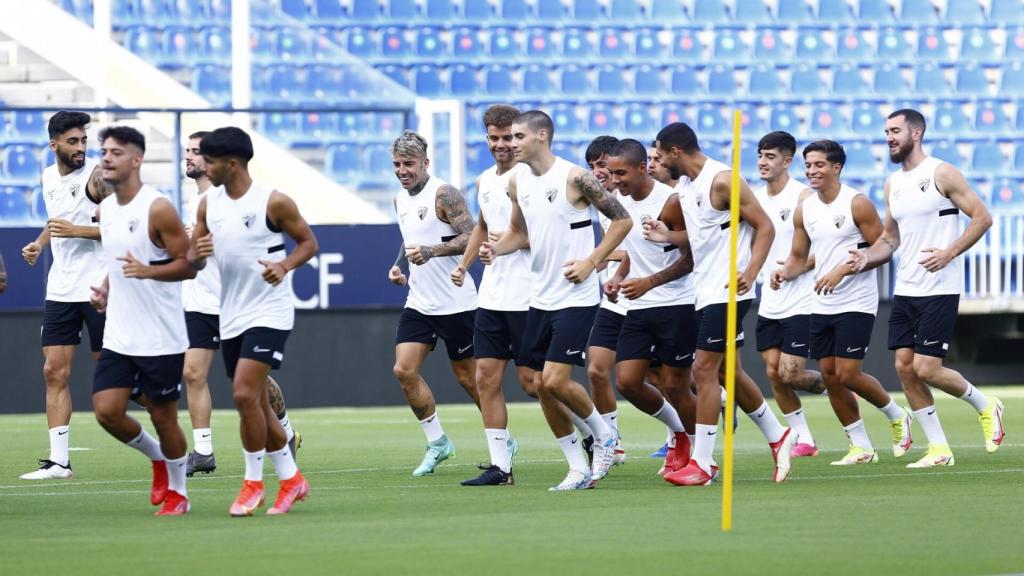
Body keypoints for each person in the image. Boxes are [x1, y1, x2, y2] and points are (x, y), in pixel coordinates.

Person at [480, 110, 630, 491]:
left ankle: (604, 435)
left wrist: (591, 262)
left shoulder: (575, 178)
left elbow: (622, 220)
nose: (510, 144)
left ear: (541, 135)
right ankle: (577, 466)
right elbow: (517, 231)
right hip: (540, 296)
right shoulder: (515, 181)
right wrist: (497, 249)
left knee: (556, 379)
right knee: (537, 384)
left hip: (576, 296)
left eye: (517, 137)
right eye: (508, 137)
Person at [849, 109, 1003, 467]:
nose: (889, 136)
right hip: (907, 287)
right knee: (904, 368)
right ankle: (939, 450)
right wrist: (866, 258)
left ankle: (987, 406)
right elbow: (890, 238)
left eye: (895, 130)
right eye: (886, 130)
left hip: (940, 286)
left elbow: (982, 217)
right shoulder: (892, 184)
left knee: (927, 368)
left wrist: (949, 253)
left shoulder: (941, 173)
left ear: (916, 133)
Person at [644, 122, 795, 486]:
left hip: (729, 290)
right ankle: (779, 434)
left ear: (675, 152)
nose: (659, 163)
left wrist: (751, 270)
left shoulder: (722, 180)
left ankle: (703, 463)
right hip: (705, 290)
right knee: (730, 373)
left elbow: (766, 226)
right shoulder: (686, 186)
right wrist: (668, 235)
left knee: (703, 369)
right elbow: (703, 235)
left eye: (661, 155)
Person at [189, 126, 318, 516]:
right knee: (256, 403)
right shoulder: (207, 205)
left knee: (244, 394)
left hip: (270, 311)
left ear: (232, 163)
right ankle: (293, 480)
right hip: (230, 314)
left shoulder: (273, 202)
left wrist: (284, 265)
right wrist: (197, 251)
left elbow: (309, 243)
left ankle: (252, 484)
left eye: (209, 160)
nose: (203, 166)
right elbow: (193, 261)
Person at [773, 140, 912, 466]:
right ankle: (861, 446)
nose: (811, 171)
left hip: (857, 302)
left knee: (848, 375)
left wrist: (845, 269)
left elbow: (885, 246)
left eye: (819, 165)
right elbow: (797, 257)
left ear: (836, 167)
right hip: (821, 303)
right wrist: (784, 273)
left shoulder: (857, 204)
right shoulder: (804, 209)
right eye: (808, 166)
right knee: (830, 377)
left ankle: (896, 413)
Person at [89, 126, 195, 515]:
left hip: (160, 336)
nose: (105, 158)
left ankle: (179, 492)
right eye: (103, 151)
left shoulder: (158, 207)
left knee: (163, 416)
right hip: (119, 333)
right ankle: (157, 459)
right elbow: (120, 262)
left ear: (136, 159)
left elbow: (188, 265)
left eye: (115, 152)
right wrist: (105, 288)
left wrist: (147, 273)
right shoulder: (106, 209)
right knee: (107, 410)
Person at [20, 111, 111, 480]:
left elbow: (122, 228)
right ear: (53, 143)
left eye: (83, 141)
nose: (80, 148)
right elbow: (56, 221)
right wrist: (41, 244)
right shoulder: (46, 177)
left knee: (116, 382)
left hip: (98, 289)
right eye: (72, 141)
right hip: (61, 289)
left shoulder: (97, 177)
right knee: (53, 371)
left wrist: (77, 231)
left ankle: (171, 445)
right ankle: (60, 462)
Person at [602, 138, 698, 479]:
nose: (615, 181)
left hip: (676, 304)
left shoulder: (670, 202)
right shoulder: (618, 203)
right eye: (611, 174)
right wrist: (618, 276)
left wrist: (650, 282)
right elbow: (634, 251)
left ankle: (701, 456)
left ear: (643, 168)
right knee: (627, 382)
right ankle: (681, 434)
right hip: (639, 306)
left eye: (621, 173)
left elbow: (689, 260)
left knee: (676, 386)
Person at [387, 130, 479, 477]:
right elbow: (410, 239)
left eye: (408, 163)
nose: (402, 170)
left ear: (425, 162)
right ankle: (438, 442)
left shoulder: (444, 193)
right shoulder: (400, 199)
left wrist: (432, 252)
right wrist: (399, 264)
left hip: (457, 302)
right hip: (420, 302)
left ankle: (501, 443)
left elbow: (472, 235)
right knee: (403, 370)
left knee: (470, 381)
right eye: (397, 164)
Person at [451, 105, 530, 486]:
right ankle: (501, 467)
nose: (502, 145)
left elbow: (548, 236)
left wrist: (511, 244)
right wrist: (465, 265)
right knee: (485, 378)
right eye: (494, 138)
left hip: (531, 295)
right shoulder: (484, 179)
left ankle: (595, 434)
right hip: (493, 296)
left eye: (508, 137)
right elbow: (483, 226)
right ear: (486, 139)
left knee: (538, 384)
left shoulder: (531, 178)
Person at [752, 131, 825, 458]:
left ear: (787, 161)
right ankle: (803, 439)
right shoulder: (753, 199)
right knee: (773, 373)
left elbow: (824, 247)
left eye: (770, 156)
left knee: (790, 373)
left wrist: (795, 268)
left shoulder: (803, 197)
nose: (762, 162)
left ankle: (832, 382)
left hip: (802, 299)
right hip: (770, 299)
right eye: (760, 155)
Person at [583, 135, 627, 464]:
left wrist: (602, 256)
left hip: (647, 298)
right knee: (597, 370)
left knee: (661, 379)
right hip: (612, 299)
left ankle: (681, 435)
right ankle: (613, 441)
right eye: (592, 165)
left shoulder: (636, 197)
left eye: (602, 164)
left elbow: (650, 248)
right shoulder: (597, 204)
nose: (597, 172)